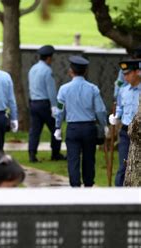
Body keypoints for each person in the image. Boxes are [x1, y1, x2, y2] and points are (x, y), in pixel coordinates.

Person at [54, 56, 108, 187]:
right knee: (89, 159)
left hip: (73, 128)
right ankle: (89, 185)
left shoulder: (64, 89)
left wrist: (58, 127)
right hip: (89, 127)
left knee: (73, 159)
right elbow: (100, 110)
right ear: (85, 71)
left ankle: (75, 186)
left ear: (71, 71)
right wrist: (104, 125)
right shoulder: (93, 88)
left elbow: (60, 110)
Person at [27, 45, 65, 162]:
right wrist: (54, 106)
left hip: (33, 102)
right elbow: (51, 91)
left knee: (35, 130)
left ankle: (32, 154)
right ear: (49, 58)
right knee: (56, 128)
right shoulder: (47, 71)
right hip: (45, 104)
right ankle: (55, 153)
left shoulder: (33, 69)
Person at [109, 59, 141, 186]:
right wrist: (116, 116)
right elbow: (120, 108)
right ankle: (119, 197)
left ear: (137, 72)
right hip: (126, 131)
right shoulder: (123, 90)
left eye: (128, 74)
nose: (125, 77)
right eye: (124, 74)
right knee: (123, 166)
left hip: (139, 131)